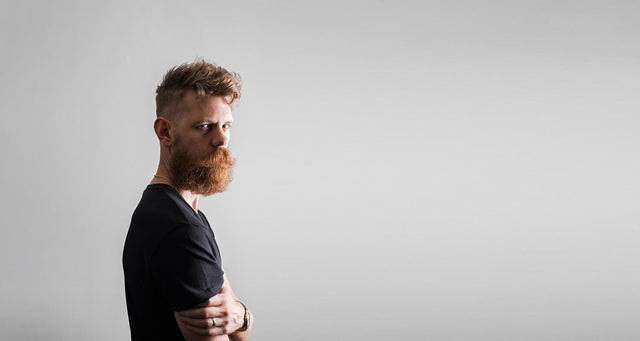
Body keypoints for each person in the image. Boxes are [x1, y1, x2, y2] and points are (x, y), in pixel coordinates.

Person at [123, 59, 253, 340]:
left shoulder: (183, 214)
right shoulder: (180, 229)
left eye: (226, 126)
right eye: (205, 126)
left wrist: (242, 316)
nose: (221, 140)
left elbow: (237, 329)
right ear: (165, 131)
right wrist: (243, 318)